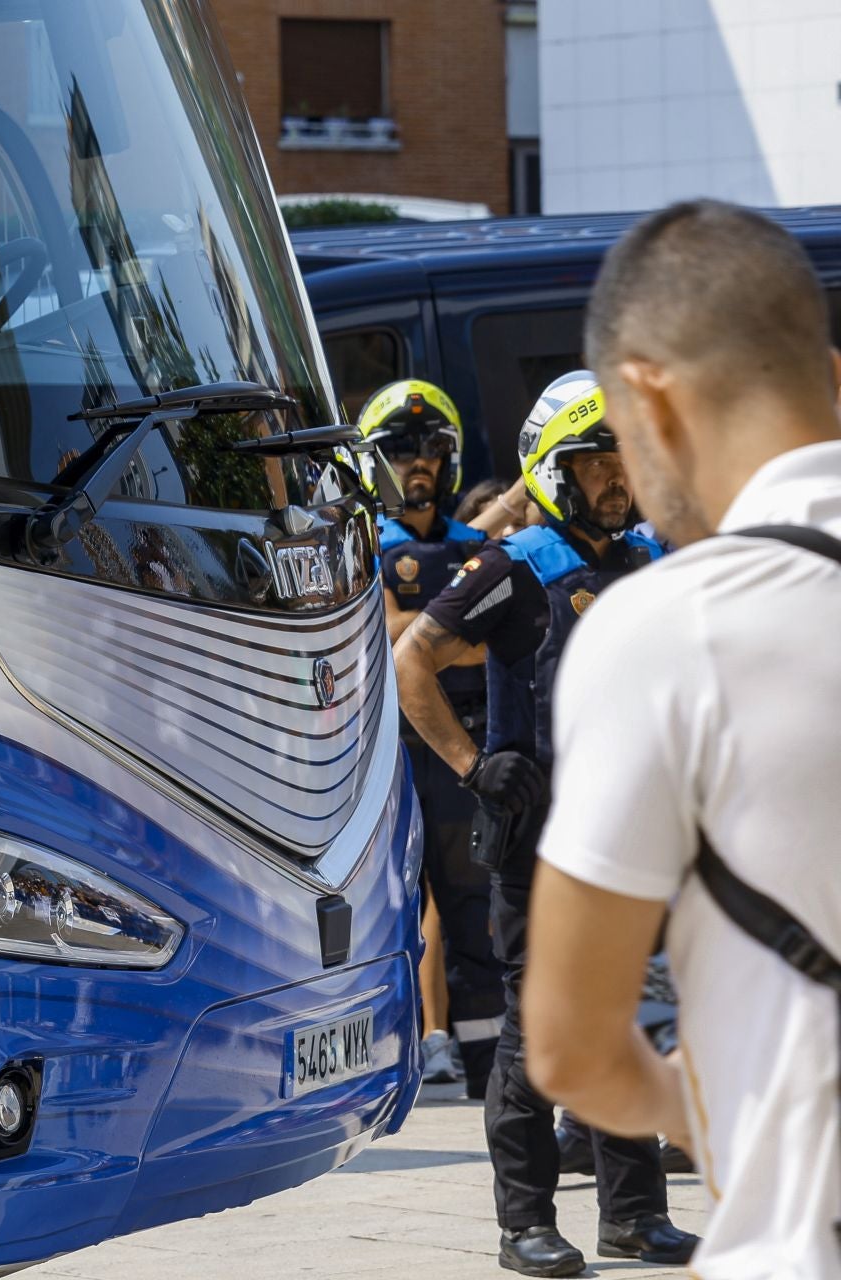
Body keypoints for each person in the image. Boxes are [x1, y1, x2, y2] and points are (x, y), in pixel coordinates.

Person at [524, 200, 841, 1279]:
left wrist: (713, 1121)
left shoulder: (671, 625)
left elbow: (570, 1040)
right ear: (830, 376)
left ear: (649, 400)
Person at [393, 371, 697, 1277]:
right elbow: (414, 661)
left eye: (624, 459)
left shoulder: (642, 558)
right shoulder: (518, 567)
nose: (616, 476)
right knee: (535, 1030)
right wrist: (472, 764)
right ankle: (525, 1222)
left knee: (628, 1022)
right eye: (596, 460)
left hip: (632, 840)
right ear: (553, 468)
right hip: (542, 844)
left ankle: (634, 1217)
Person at [358, 380, 504, 1097]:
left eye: (431, 450)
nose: (419, 463)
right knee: (387, 909)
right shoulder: (357, 542)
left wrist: (420, 632)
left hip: (459, 751)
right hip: (383, 758)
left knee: (474, 910)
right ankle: (393, 1060)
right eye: (402, 450)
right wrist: (448, 633)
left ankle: (494, 1071)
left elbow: (489, 637)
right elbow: (375, 636)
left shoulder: (477, 546)